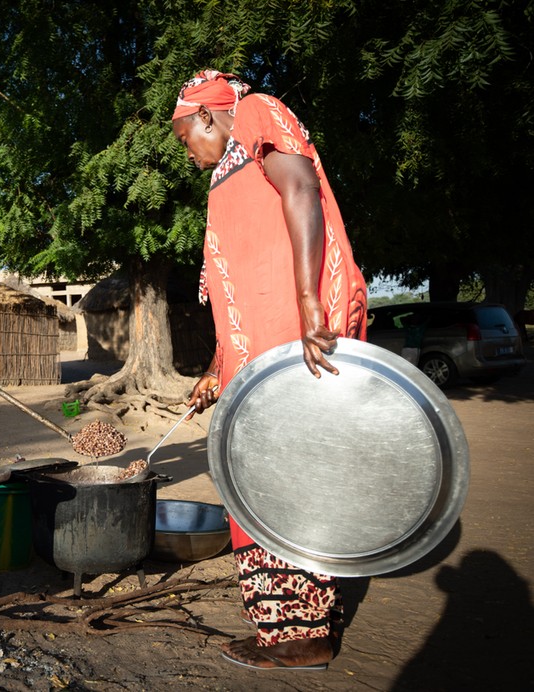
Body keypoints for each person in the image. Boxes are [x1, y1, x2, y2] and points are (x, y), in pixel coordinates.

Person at [174, 71, 368, 670]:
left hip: (296, 337)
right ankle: (282, 627)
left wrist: (310, 302)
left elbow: (302, 189)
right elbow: (237, 288)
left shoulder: (255, 110)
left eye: (186, 138)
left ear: (207, 115)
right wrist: (216, 365)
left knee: (290, 476)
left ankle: (306, 633)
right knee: (250, 481)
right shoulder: (223, 175)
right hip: (255, 353)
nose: (189, 153)